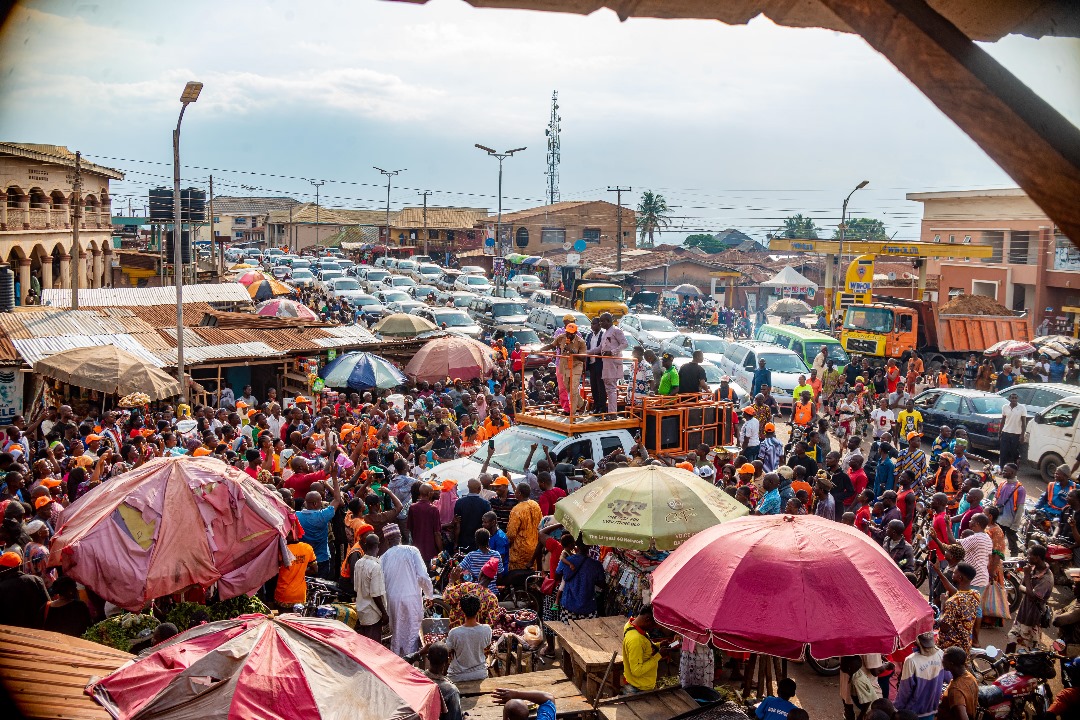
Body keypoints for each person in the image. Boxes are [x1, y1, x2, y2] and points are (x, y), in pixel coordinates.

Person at [381, 523, 433, 656]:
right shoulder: (411, 550)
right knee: (411, 634)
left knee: (396, 634)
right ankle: (411, 662)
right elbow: (422, 576)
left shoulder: (383, 558)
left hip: (392, 600)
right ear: (400, 537)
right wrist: (429, 594)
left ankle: (397, 663)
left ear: (387, 540)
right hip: (411, 598)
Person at [1007, 543, 1054, 652]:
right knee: (1011, 640)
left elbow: (1033, 596)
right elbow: (1021, 587)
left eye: (1029, 555)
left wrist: (1027, 576)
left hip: (1032, 619)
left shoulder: (1046, 578)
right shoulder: (1034, 569)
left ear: (1037, 558)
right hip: (1023, 614)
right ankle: (1005, 667)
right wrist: (1027, 587)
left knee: (1027, 652)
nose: (1027, 557)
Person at [296, 473, 343, 579]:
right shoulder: (322, 516)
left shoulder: (296, 516)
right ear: (315, 504)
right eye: (320, 501)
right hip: (322, 559)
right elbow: (337, 499)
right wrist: (334, 478)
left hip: (305, 559)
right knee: (322, 586)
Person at [894, 631, 948, 720]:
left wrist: (897, 708)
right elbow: (948, 678)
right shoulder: (940, 654)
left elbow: (905, 690)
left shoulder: (911, 660)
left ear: (917, 642)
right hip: (932, 709)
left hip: (913, 713)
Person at [932, 562, 980, 653]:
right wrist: (939, 572)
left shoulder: (952, 602)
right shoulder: (975, 594)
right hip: (965, 644)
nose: (952, 574)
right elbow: (956, 592)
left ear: (960, 578)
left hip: (949, 648)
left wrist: (943, 604)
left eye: (954, 573)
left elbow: (944, 627)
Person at [444, 594, 493, 683]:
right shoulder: (486, 630)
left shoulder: (455, 633)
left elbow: (447, 649)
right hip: (480, 674)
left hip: (458, 676)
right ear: (479, 610)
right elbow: (487, 646)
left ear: (462, 610)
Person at [622, 604, 667, 694]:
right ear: (647, 620)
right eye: (654, 625)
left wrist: (658, 645)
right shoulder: (636, 640)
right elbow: (637, 671)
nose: (654, 628)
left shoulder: (630, 625)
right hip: (639, 688)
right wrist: (658, 656)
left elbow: (644, 649)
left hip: (638, 685)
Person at [556, 539, 605, 620]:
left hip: (568, 605)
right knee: (588, 632)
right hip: (588, 607)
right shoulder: (596, 565)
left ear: (576, 545)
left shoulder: (566, 561)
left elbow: (557, 575)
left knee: (567, 631)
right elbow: (602, 584)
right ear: (590, 546)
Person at [353, 533, 388, 643]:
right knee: (373, 646)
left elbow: (356, 588)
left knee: (365, 644)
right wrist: (384, 613)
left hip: (361, 610)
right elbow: (376, 594)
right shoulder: (375, 567)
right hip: (373, 613)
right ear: (377, 546)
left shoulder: (359, 563)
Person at [0, 551, 49, 628]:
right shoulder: (36, 580)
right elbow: (47, 606)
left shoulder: (2, 586)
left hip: (9, 633)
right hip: (36, 631)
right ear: (19, 565)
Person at [274, 529, 316, 610]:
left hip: (283, 595)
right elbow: (315, 570)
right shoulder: (307, 548)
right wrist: (300, 572)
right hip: (300, 596)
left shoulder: (282, 551)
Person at [506, 483, 542, 570]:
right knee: (532, 575)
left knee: (518, 576)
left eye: (516, 491)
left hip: (520, 549)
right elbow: (541, 524)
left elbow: (511, 534)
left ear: (519, 494)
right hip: (535, 548)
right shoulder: (535, 505)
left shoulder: (516, 510)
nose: (514, 492)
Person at [423, 643, 463, 720]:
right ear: (448, 660)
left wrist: (420, 653)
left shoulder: (417, 679)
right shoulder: (451, 691)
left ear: (428, 657)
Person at [993, 462, 1026, 554]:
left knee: (1012, 545)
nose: (1002, 472)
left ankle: (1013, 562)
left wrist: (1015, 525)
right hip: (999, 519)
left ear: (1012, 473)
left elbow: (1020, 508)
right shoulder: (1002, 484)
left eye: (1005, 471)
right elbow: (996, 500)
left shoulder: (1020, 489)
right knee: (997, 543)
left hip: (1009, 522)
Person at [407, 482, 443, 566]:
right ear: (430, 493)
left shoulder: (412, 507)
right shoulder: (433, 509)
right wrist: (441, 551)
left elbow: (410, 528)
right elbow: (437, 533)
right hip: (431, 551)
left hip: (417, 550)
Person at [939, 646, 977, 720]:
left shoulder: (955, 691)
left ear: (951, 664)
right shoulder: (970, 677)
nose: (942, 661)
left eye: (944, 659)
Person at [454, 479, 491, 553]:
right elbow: (488, 525)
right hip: (480, 542)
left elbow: (457, 525)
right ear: (479, 488)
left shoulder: (459, 503)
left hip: (463, 541)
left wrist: (456, 543)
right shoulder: (485, 504)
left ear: (468, 487)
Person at [999, 392, 1027, 465]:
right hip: (1006, 432)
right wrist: (1000, 432)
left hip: (1016, 433)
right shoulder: (1005, 407)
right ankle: (1001, 467)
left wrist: (1022, 435)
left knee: (1014, 452)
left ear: (1017, 399)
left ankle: (1015, 467)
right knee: (1003, 451)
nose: (1014, 399)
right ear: (1009, 399)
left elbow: (1024, 423)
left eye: (1015, 398)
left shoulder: (1022, 408)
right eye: (1012, 398)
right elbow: (1003, 420)